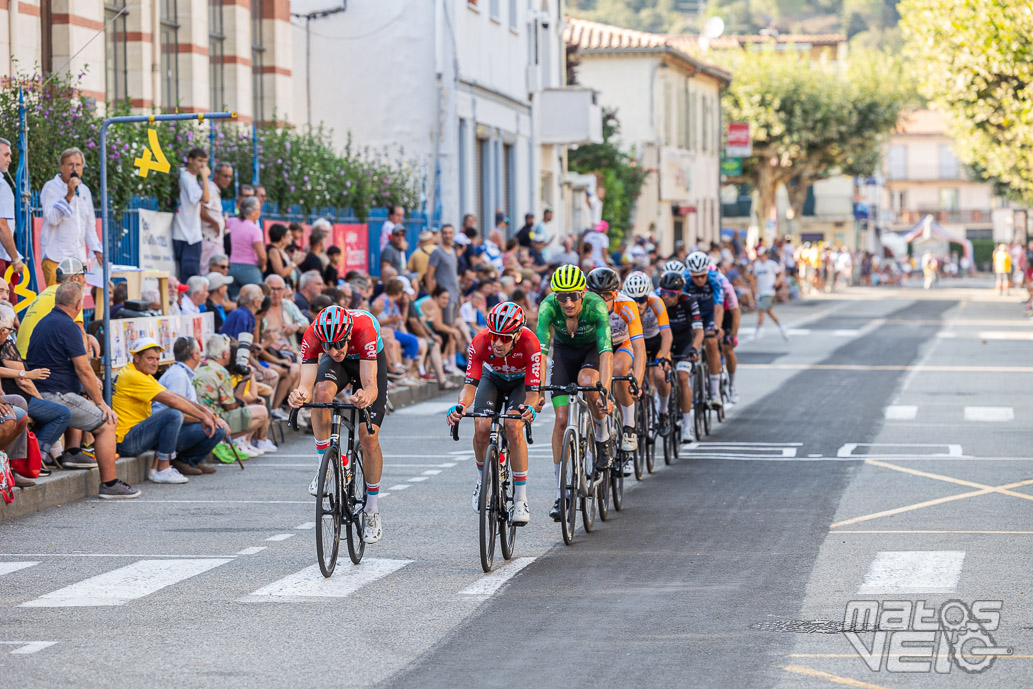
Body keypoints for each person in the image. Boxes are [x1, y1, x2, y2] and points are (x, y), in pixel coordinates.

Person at [28, 282, 139, 498]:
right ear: (79, 304)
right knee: (107, 423)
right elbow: (84, 369)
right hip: (55, 394)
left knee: (84, 401)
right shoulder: (68, 326)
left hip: (40, 392)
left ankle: (72, 453)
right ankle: (109, 484)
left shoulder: (44, 322)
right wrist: (101, 403)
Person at [289, 305, 388, 545]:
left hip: (367, 364)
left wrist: (365, 397)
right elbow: (306, 384)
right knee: (320, 393)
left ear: (348, 336)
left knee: (368, 437)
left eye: (339, 344)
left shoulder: (364, 328)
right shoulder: (313, 334)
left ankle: (372, 510)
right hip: (340, 370)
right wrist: (298, 395)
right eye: (327, 346)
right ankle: (326, 463)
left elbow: (370, 385)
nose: (334, 350)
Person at [446, 302, 542, 524]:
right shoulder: (480, 341)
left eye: (506, 338)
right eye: (494, 336)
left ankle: (520, 499)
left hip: (520, 383)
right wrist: (461, 406)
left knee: (513, 427)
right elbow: (470, 386)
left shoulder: (530, 343)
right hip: (493, 380)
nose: (498, 343)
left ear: (517, 335)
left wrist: (529, 408)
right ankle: (482, 480)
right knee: (481, 425)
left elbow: (533, 392)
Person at [535, 265, 613, 521]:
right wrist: (536, 388)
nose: (567, 302)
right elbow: (541, 352)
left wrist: (605, 392)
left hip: (590, 352)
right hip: (564, 354)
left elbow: (606, 353)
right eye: (561, 296)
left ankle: (602, 438)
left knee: (589, 384)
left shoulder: (596, 306)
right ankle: (561, 493)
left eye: (573, 296)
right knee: (560, 420)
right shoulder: (548, 307)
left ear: (582, 293)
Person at [114, 338, 227, 482]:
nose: (155, 363)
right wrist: (203, 417)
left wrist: (206, 413)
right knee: (173, 414)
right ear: (136, 358)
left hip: (139, 435)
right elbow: (172, 401)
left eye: (157, 359)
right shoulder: (132, 376)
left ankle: (185, 462)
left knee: (214, 427)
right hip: (127, 442)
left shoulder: (143, 375)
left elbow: (173, 395)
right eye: (150, 359)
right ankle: (163, 469)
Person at [0, 304, 72, 467]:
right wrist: (27, 376)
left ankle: (23, 463)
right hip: (17, 394)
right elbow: (23, 381)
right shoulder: (6, 344)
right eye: (12, 329)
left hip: (13, 396)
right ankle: (32, 459)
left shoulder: (5, 342)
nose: (13, 332)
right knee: (61, 413)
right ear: (3, 330)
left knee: (21, 410)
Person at [586, 267, 644, 458]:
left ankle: (629, 427)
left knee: (619, 369)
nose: (602, 300)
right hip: (597, 346)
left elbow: (639, 348)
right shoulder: (583, 304)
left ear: (615, 294)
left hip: (622, 343)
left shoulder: (627, 304)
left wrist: (638, 381)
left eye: (607, 296)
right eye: (596, 295)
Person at [194, 334, 273, 456]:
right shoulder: (221, 372)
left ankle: (223, 440)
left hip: (198, 417)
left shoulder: (200, 365)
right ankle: (220, 439)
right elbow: (231, 407)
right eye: (229, 352)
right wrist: (245, 380)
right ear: (225, 354)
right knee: (261, 412)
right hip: (214, 419)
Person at [39, 148, 102, 286]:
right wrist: (68, 195)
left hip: (79, 259)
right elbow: (53, 219)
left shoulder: (85, 190)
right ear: (61, 167)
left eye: (78, 165)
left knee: (78, 302)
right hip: (55, 257)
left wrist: (97, 250)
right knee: (57, 301)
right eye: (70, 165)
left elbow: (89, 226)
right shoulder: (51, 187)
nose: (75, 169)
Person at [623, 271, 673, 431]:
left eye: (642, 300)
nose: (637, 304)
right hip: (634, 343)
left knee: (660, 375)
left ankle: (663, 411)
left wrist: (664, 356)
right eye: (633, 300)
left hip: (655, 342)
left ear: (648, 297)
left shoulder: (656, 302)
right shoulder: (623, 305)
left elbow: (666, 333)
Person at [16, 257, 93, 359]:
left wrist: (89, 337)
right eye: (83, 276)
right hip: (35, 358)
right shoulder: (71, 295)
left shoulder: (47, 292)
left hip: (21, 355)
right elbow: (79, 332)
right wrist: (87, 361)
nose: (85, 281)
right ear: (75, 278)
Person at [657, 271, 704, 440]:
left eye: (670, 294)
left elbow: (699, 331)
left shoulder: (689, 301)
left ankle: (687, 426)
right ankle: (660, 406)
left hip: (685, 341)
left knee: (683, 377)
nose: (666, 297)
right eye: (663, 292)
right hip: (665, 341)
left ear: (679, 293)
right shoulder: (657, 299)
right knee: (659, 373)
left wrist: (694, 348)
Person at [682, 252, 726, 411]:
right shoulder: (684, 278)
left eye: (702, 276)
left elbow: (719, 306)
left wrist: (717, 327)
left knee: (712, 342)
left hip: (709, 314)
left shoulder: (715, 278)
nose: (700, 279)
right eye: (696, 277)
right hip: (691, 315)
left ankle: (715, 393)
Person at [170, 148, 211, 282]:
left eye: (204, 162)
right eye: (199, 161)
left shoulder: (190, 178)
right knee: (190, 279)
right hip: (187, 237)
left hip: (190, 234)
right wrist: (205, 178)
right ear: (190, 160)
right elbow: (205, 198)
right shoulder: (187, 177)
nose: (202, 165)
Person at [226, 196, 267, 296]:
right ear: (252, 211)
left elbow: (224, 222)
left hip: (232, 267)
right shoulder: (255, 229)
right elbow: (261, 255)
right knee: (256, 298)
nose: (260, 212)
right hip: (249, 269)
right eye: (258, 209)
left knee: (236, 299)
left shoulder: (233, 222)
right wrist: (262, 266)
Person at [748, 246, 787, 341]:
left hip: (768, 291)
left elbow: (780, 273)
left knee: (761, 311)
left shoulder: (772, 264)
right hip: (761, 292)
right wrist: (755, 291)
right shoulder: (757, 265)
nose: (761, 257)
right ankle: (781, 328)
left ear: (767, 255)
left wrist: (777, 281)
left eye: (763, 255)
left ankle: (757, 333)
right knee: (769, 312)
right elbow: (754, 278)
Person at [200, 162, 231, 273]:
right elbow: (201, 210)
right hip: (209, 240)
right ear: (216, 175)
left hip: (214, 241)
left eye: (230, 177)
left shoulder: (214, 190)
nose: (227, 179)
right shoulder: (210, 189)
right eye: (225, 176)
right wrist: (215, 223)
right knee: (209, 275)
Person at [0, 138, 24, 277]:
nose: (9, 160)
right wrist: (15, 258)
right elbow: (2, 224)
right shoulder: (2, 186)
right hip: (2, 257)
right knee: (8, 298)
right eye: (6, 155)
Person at [264, 222, 296, 287]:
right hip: (275, 287)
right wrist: (294, 263)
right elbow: (280, 273)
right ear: (282, 237)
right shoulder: (273, 250)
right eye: (288, 235)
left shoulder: (280, 250)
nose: (291, 238)